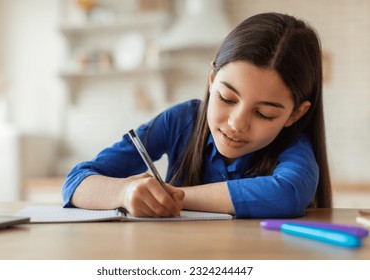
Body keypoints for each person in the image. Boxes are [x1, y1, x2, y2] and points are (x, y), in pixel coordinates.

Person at [62, 12, 332, 218]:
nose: (236, 123)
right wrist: (124, 192)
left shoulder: (293, 145)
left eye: (263, 114)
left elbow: (288, 193)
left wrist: (172, 196)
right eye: (227, 98)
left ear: (295, 114)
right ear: (212, 79)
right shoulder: (181, 120)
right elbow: (77, 181)